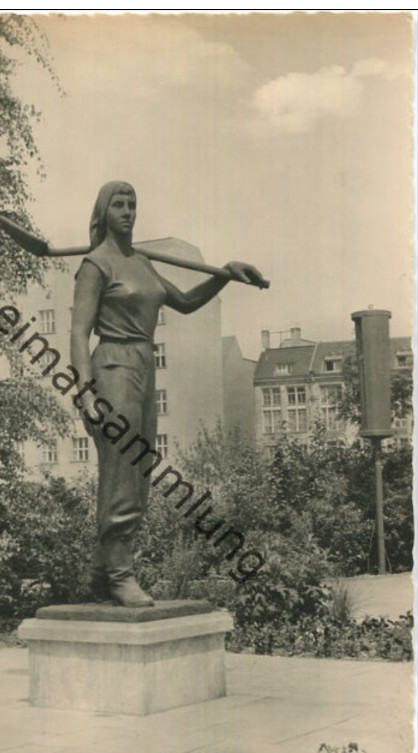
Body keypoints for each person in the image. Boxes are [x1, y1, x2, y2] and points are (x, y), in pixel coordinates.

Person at [70, 180, 264, 607]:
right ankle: (120, 575)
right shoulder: (95, 265)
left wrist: (226, 273)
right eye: (118, 204)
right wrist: (85, 392)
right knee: (122, 473)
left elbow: (186, 301)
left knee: (137, 475)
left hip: (144, 365)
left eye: (132, 204)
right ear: (102, 213)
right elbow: (79, 332)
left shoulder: (141, 263)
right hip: (112, 369)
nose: (127, 211)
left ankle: (100, 577)